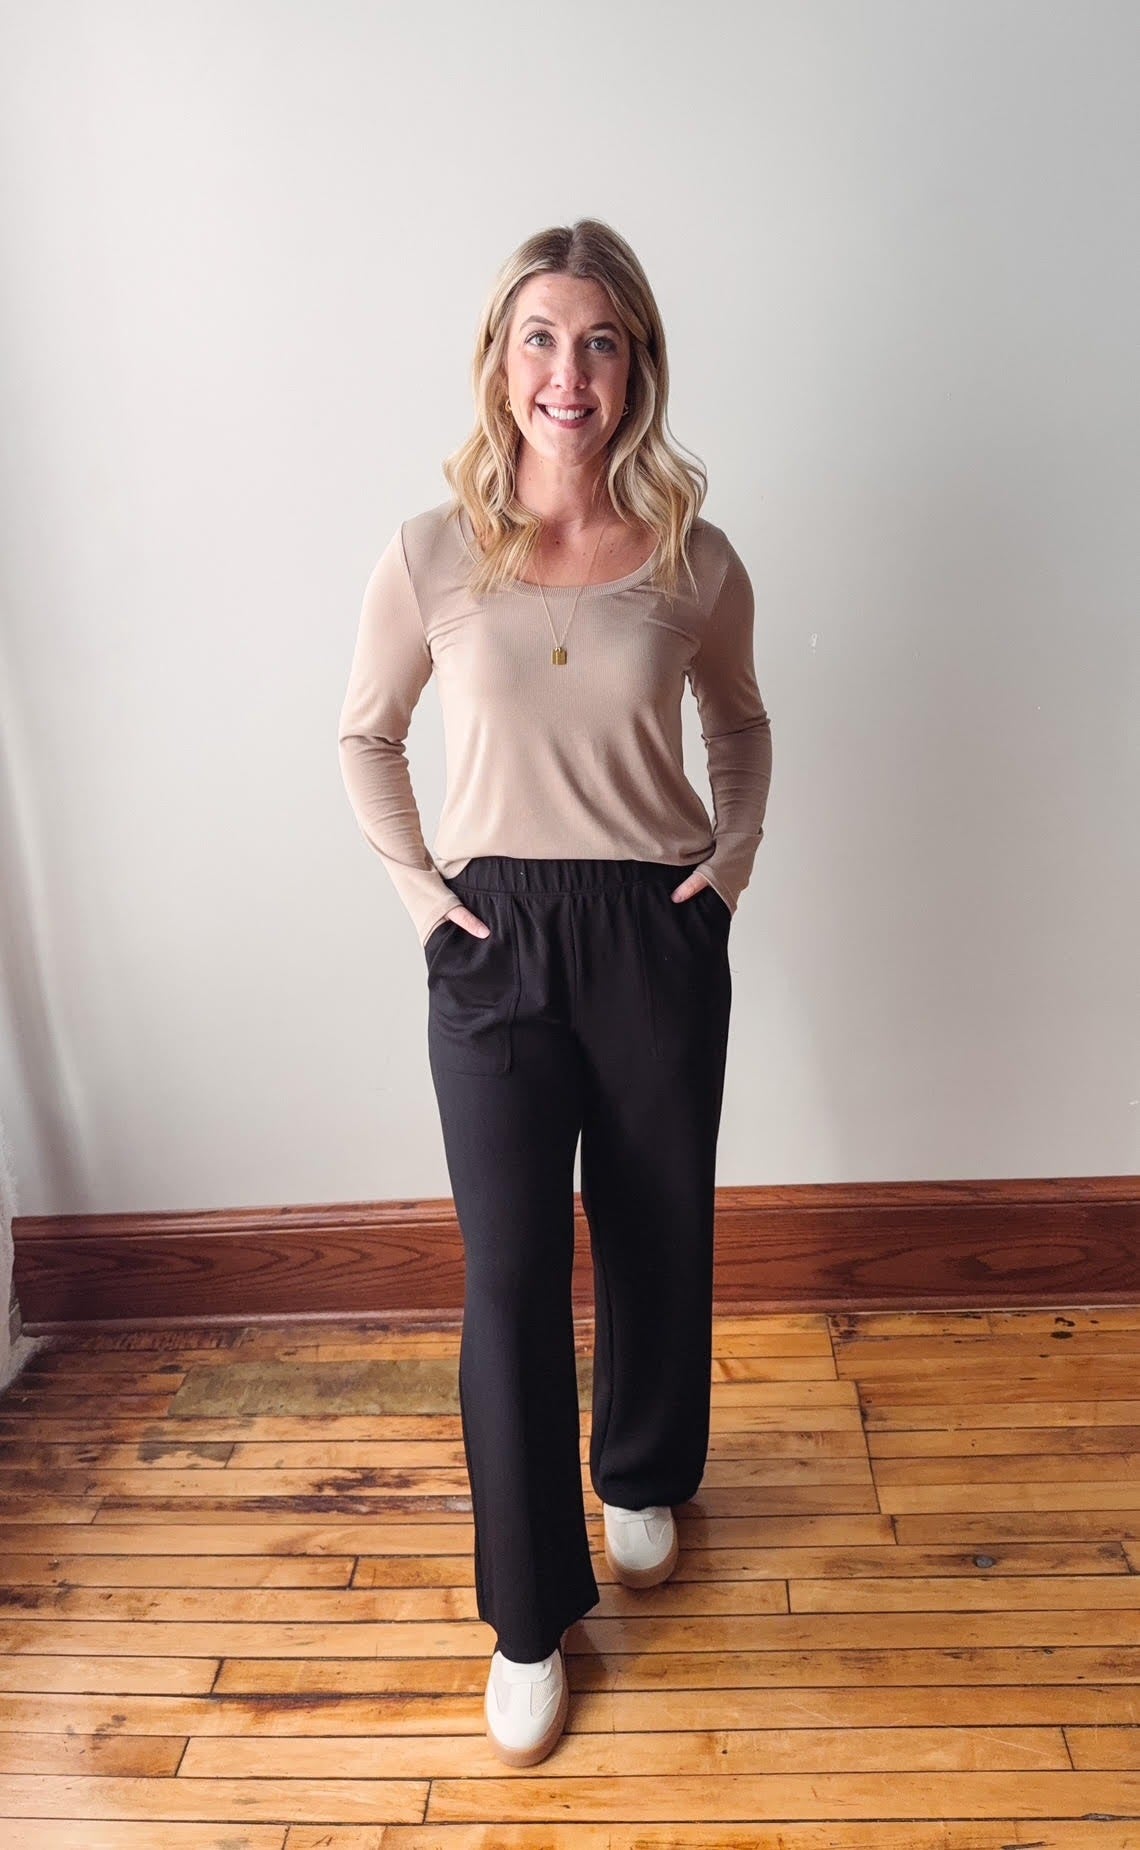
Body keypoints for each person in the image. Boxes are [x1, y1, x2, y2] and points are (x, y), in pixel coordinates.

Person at [337, 217, 773, 1766]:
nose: (566, 372)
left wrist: (725, 871)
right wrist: (426, 900)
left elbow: (742, 726)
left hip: (652, 925)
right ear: (500, 359)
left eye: (597, 341)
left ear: (634, 363)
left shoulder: (692, 556)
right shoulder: (432, 551)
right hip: (497, 933)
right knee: (512, 1276)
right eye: (539, 338)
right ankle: (529, 1619)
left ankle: (643, 1465)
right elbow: (364, 734)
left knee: (657, 1225)